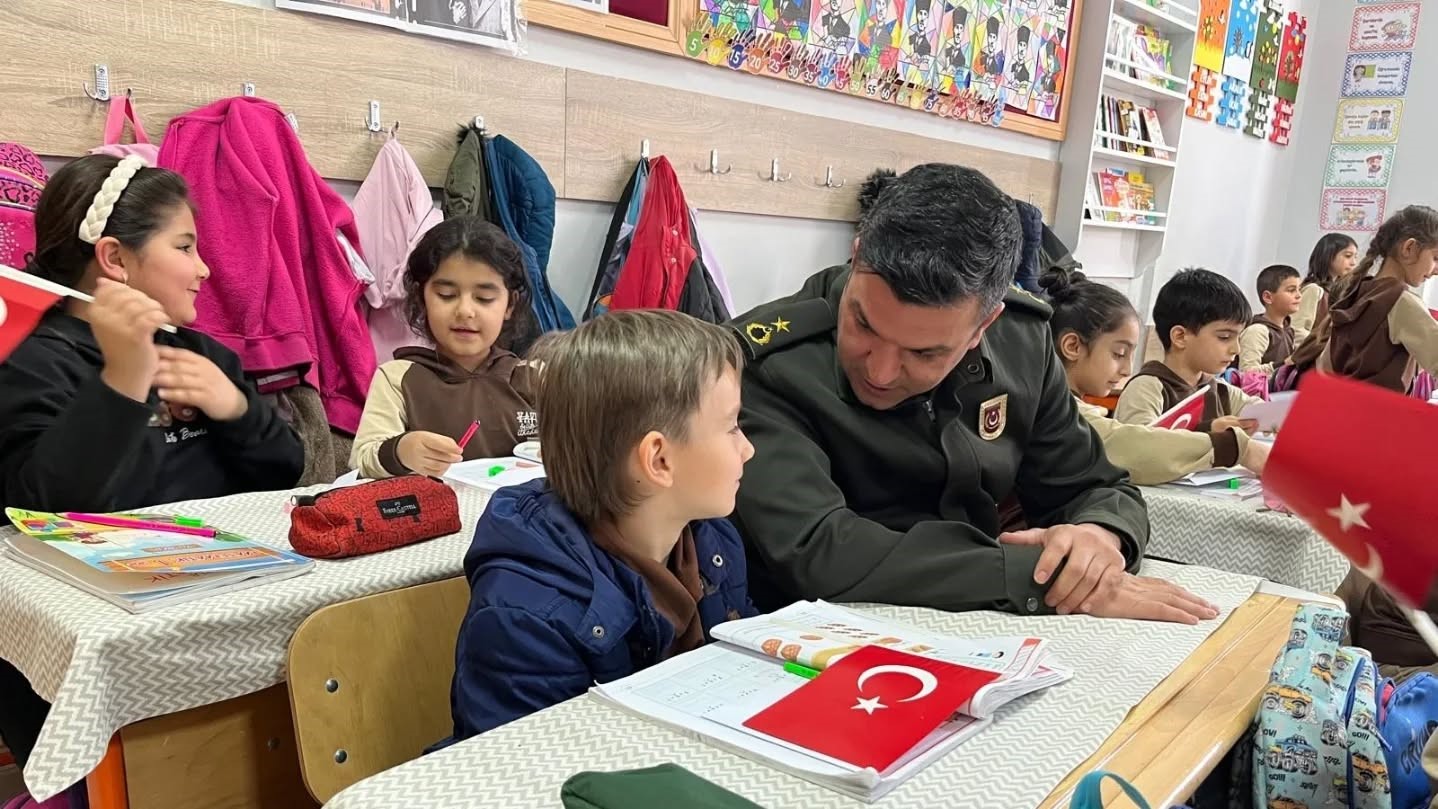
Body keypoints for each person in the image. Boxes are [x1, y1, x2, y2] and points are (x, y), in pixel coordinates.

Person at [730, 163, 1216, 624]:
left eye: (925, 353)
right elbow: (816, 550)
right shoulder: (766, 365)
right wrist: (1035, 576)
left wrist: (1097, 538)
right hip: (808, 639)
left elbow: (1093, 486)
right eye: (863, 325)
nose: (880, 371)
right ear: (856, 259)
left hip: (990, 632)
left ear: (986, 324)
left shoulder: (1022, 341)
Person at [0, 154, 303, 771]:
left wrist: (237, 408)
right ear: (115, 258)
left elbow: (282, 472)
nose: (204, 268)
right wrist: (123, 378)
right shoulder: (30, 362)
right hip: (99, 652)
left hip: (221, 613)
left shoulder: (200, 354)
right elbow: (47, 512)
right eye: (185, 247)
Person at [447, 310, 758, 740]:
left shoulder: (713, 542)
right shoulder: (525, 616)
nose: (748, 449)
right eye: (732, 428)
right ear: (659, 460)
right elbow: (525, 766)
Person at [1040, 268, 1267, 486]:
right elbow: (1129, 448)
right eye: (1119, 353)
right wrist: (1233, 447)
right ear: (1073, 346)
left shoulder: (1215, 387)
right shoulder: (1056, 409)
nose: (1128, 370)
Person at [350, 217, 539, 479]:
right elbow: (361, 460)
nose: (465, 311)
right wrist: (400, 451)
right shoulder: (398, 378)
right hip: (430, 505)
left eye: (484, 298)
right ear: (422, 299)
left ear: (509, 305)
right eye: (446, 295)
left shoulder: (536, 377)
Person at [1114, 268, 1262, 430]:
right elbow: (1140, 441)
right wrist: (1210, 431)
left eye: (1238, 337)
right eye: (1224, 337)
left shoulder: (1219, 390)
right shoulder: (1145, 389)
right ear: (1180, 337)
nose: (1236, 349)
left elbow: (1261, 410)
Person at [1321, 205, 1438, 394]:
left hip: (1341, 403)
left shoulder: (1356, 291)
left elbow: (1325, 366)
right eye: (1436, 258)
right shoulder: (1401, 301)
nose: (1436, 270)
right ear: (1409, 248)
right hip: (1379, 410)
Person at [1293, 233, 1359, 343]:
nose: (1353, 263)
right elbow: (1297, 330)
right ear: (1328, 256)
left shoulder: (1341, 292)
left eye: (1355, 257)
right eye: (1348, 256)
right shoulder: (1313, 290)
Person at [1237, 264, 1301, 375]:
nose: (1299, 295)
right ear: (1268, 297)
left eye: (1299, 289)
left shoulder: (1289, 330)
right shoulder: (1257, 331)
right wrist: (1283, 364)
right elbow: (1247, 373)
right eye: (1291, 290)